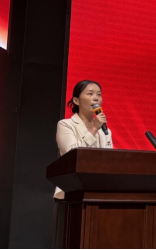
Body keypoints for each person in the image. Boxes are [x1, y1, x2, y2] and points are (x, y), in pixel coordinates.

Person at [53, 80, 113, 249]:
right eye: (90, 93)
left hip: (99, 195)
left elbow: (109, 161)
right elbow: (72, 155)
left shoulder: (105, 130)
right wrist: (93, 129)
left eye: (99, 94)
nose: (96, 98)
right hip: (71, 195)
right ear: (76, 100)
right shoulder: (66, 125)